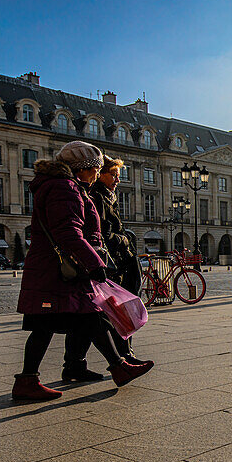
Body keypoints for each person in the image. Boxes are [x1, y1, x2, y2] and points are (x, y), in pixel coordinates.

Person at [13, 142, 154, 401]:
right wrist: (95, 264)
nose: (98, 173)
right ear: (83, 168)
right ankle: (27, 381)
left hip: (62, 269)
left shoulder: (68, 186)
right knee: (49, 324)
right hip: (59, 270)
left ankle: (118, 367)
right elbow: (68, 232)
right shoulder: (63, 188)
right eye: (96, 168)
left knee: (89, 317)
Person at [63, 156, 142, 379]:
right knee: (107, 313)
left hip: (108, 262)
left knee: (90, 315)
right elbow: (102, 234)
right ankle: (121, 359)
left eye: (118, 174)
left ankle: (77, 364)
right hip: (107, 263)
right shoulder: (97, 196)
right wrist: (126, 240)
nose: (117, 179)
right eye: (113, 174)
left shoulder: (105, 195)